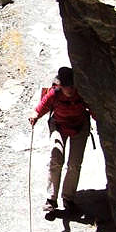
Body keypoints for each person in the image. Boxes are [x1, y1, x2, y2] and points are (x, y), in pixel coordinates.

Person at [28, 67, 93, 213]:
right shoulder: (54, 94)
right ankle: (51, 198)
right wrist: (35, 115)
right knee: (56, 158)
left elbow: (93, 108)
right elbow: (41, 107)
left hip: (80, 127)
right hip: (59, 126)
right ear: (60, 86)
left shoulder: (82, 93)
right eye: (66, 86)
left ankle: (68, 198)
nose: (69, 89)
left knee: (74, 164)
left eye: (71, 86)